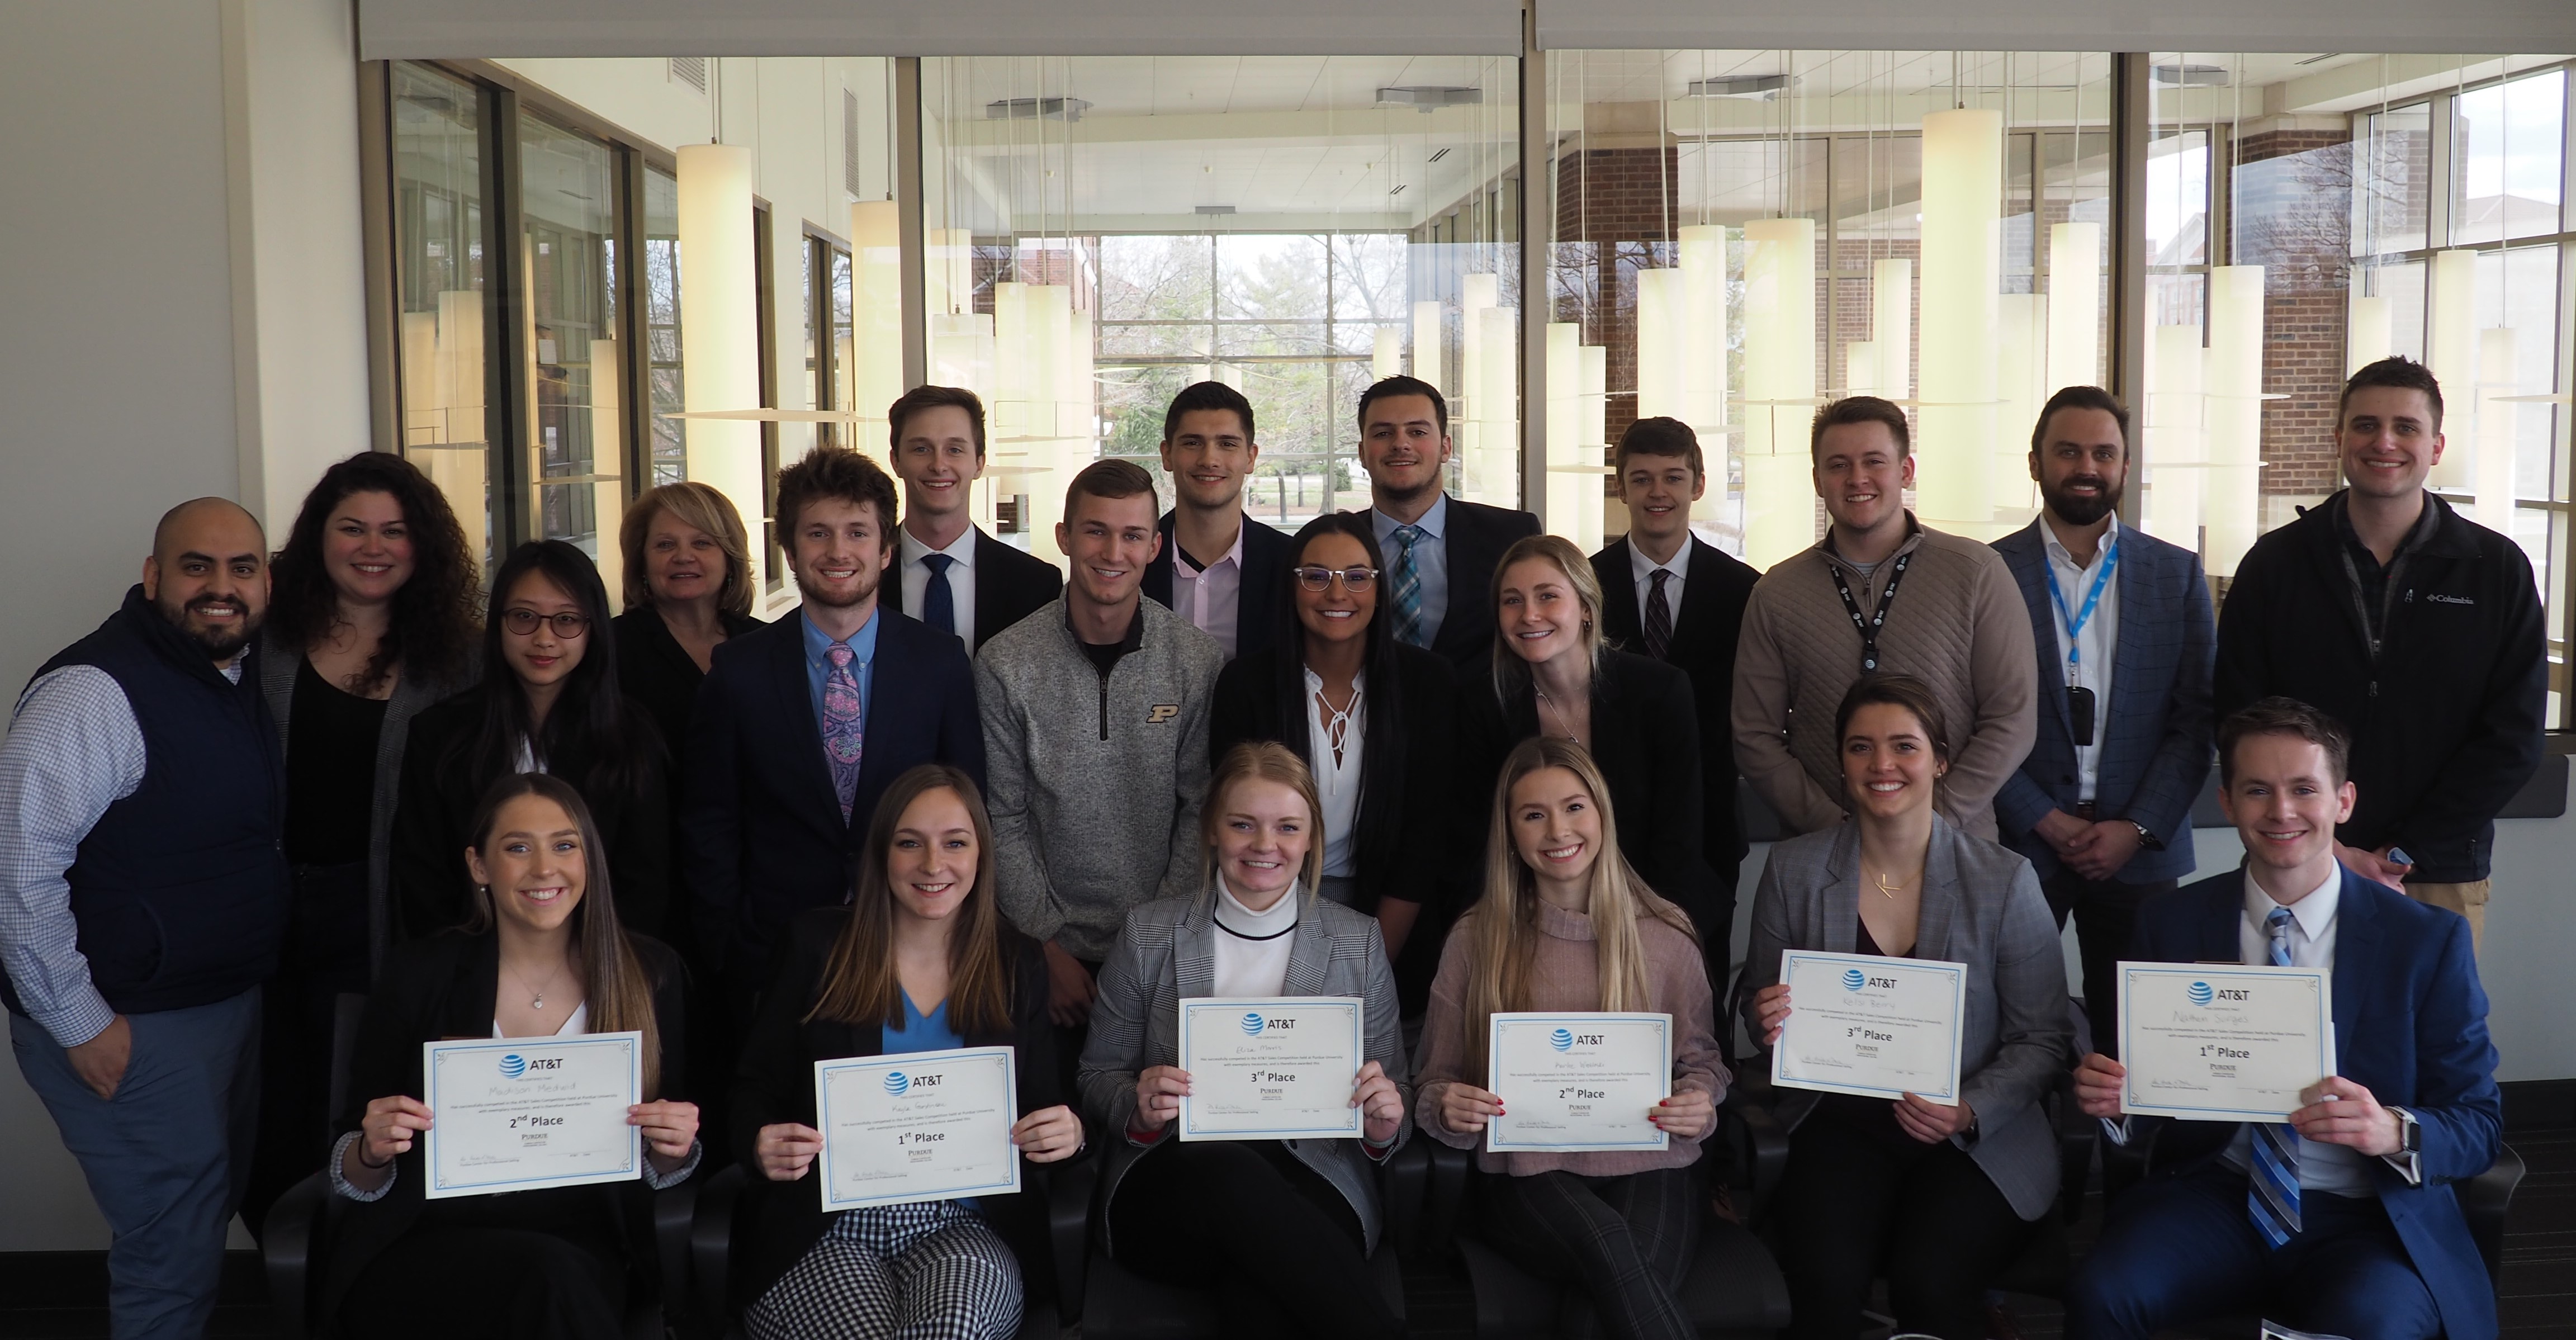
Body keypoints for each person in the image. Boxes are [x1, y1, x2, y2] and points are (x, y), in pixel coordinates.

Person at [2064, 699, 2502, 1340]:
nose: (2282, 812)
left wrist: (2390, 1130)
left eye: (2304, 789)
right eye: (2258, 791)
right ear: (2227, 803)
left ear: (2344, 801)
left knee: (2379, 1324)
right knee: (2103, 1296)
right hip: (2217, 1194)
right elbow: (2147, 1091)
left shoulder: (2426, 943)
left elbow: (2479, 1123)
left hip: (2364, 1215)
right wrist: (2117, 1101)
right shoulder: (2171, 922)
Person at [0, 499, 285, 1340]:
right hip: (132, 1021)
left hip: (212, 1005)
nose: (221, 587)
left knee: (193, 1226)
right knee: (172, 1256)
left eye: (242, 568)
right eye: (197, 566)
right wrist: (79, 1022)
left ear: (266, 582)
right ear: (154, 576)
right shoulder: (94, 691)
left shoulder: (230, 676)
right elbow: (18, 868)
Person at [1741, 675, 2071, 1340]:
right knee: (1825, 1289)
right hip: (1837, 1124)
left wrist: (1969, 1108)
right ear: (1841, 762)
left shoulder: (2005, 880)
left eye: (1904, 746)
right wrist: (1764, 1015)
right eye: (1861, 748)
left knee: (1931, 1284)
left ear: (1940, 759)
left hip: (1972, 1135)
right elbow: (1755, 1014)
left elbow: (2044, 1040)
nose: (1882, 765)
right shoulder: (1794, 871)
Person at [323, 774, 701, 1340]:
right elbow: (352, 1163)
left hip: (584, 1244)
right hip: (423, 1242)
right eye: (517, 847)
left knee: (554, 1281)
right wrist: (372, 1150)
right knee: (548, 1287)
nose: (544, 868)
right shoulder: (420, 972)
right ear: (479, 866)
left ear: (590, 860)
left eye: (565, 845)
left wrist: (674, 1151)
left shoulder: (650, 975)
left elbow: (662, 1162)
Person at [733, 764, 1086, 1340]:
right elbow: (753, 1088)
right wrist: (759, 1141)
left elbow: (1045, 1106)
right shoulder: (816, 946)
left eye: (954, 843)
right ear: (881, 853)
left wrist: (1068, 1134)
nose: (932, 865)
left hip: (966, 1226)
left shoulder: (1016, 962)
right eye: (909, 844)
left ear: (981, 854)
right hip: (823, 1227)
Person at [1076, 742, 1409, 1340]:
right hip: (1170, 1181)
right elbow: (1098, 1075)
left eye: (1287, 827)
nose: (1265, 845)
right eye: (1242, 825)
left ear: (1312, 839)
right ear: (1211, 830)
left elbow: (1397, 1095)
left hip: (1314, 1180)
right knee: (1234, 1177)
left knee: (1261, 1283)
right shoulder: (1149, 933)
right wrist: (1140, 1107)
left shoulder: (1358, 942)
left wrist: (1384, 1124)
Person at [2214, 357, 2545, 953]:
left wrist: (2400, 853)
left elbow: (2514, 738)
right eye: (2365, 425)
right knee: (2292, 1036)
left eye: (2406, 428)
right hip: (2298, 860)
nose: (2384, 442)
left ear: (2437, 446)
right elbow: (2240, 716)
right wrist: (2331, 847)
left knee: (2425, 1039)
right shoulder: (2275, 565)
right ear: (2340, 439)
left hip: (2436, 871)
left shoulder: (2495, 571)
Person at [1415, 736, 1727, 1340]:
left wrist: (1699, 1100)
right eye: (1534, 814)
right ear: (1509, 832)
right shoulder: (1476, 939)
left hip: (1652, 1163)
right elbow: (1432, 1081)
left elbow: (1704, 1065)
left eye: (1574, 807)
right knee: (1610, 1249)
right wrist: (1446, 1104)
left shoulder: (1665, 934)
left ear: (1603, 813)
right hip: (1526, 1176)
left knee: (1601, 1308)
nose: (1558, 830)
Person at [244, 451, 482, 1237]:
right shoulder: (268, 641)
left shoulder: (458, 658)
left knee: (353, 1095)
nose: (372, 546)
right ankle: (287, 1267)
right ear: (319, 538)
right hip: (269, 907)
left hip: (378, 908)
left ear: (423, 546)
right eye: (352, 528)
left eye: (394, 530)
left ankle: (354, 1264)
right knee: (265, 1100)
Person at [684, 443, 984, 1027]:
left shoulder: (940, 664)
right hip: (773, 955)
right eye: (818, 534)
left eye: (857, 533)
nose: (839, 551)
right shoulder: (737, 673)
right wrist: (730, 940)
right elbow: (709, 822)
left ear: (887, 549)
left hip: (917, 948)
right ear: (791, 553)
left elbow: (970, 806)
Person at [977, 458, 1224, 1081]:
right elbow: (1001, 816)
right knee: (1050, 1133)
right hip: (1041, 959)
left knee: (1157, 1124)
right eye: (1095, 532)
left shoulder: (1195, 661)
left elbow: (1202, 808)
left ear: (1154, 545)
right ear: (1063, 536)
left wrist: (1150, 943)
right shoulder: (1005, 663)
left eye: (1132, 535)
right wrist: (1045, 947)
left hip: (1164, 950)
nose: (1113, 552)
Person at [1991, 387, 2214, 1052]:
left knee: (2141, 1038)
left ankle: (2130, 1155)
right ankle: (2020, 1145)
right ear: (2035, 463)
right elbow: (1969, 719)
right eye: (2068, 451)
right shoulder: (1985, 571)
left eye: (2103, 452)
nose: (2086, 466)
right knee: (2007, 1024)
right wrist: (2042, 818)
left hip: (2139, 850)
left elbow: (2197, 718)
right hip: (2019, 843)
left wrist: (2138, 826)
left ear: (2123, 465)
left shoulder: (2174, 574)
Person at [1733, 395, 2038, 841]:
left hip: (1957, 845)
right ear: (1817, 480)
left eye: (1874, 461)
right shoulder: (1776, 593)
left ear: (1906, 471)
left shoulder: (1976, 573)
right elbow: (1754, 735)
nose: (1857, 478)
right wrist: (1830, 826)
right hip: (1824, 854)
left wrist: (1936, 820)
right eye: (1838, 465)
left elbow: (2012, 716)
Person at [1208, 511, 1461, 1006]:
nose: (1337, 594)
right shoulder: (1245, 685)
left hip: (1394, 923)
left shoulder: (1428, 684)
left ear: (1380, 587)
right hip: (1264, 906)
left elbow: (1425, 837)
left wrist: (1369, 962)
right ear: (1292, 586)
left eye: (1357, 577)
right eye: (1317, 577)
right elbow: (1232, 824)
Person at [394, 541, 671, 939]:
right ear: (497, 623)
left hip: (601, 968)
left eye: (567, 619)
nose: (544, 637)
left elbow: (645, 887)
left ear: (593, 628)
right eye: (524, 617)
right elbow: (423, 879)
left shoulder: (631, 737)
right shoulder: (439, 735)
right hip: (470, 970)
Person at [1589, 416, 1761, 985]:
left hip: (1708, 825)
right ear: (1621, 488)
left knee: (1698, 981)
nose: (1657, 493)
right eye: (1641, 479)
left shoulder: (1745, 591)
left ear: (1699, 484)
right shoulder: (1585, 587)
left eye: (1673, 477)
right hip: (1603, 824)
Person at [1464, 534, 1708, 914]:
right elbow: (1481, 842)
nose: (1529, 614)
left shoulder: (1659, 692)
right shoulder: (1486, 704)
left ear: (1586, 608)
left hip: (1647, 911)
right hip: (1528, 917)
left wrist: (1657, 933)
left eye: (1547, 596)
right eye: (1513, 600)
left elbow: (1680, 841)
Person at [1356, 374, 1541, 667]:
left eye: (1417, 432)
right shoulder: (1335, 546)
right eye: (1382, 434)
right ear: (1362, 453)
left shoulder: (1512, 535)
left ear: (1445, 448)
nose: (1400, 444)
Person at [878, 385, 1067, 652]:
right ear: (896, 461)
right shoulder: (863, 576)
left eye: (955, 450)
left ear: (979, 463)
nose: (939, 465)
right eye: (921, 449)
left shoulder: (1036, 585)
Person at [1143, 380, 1293, 661]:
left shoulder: (1292, 563)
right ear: (1167, 455)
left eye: (1227, 444)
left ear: (1250, 458)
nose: (1210, 459)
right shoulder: (1132, 561)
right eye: (1192, 443)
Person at [611, 481, 763, 752]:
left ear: (729, 559)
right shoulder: (609, 648)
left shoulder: (768, 645)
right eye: (665, 545)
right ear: (642, 563)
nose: (683, 556)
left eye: (702, 543)